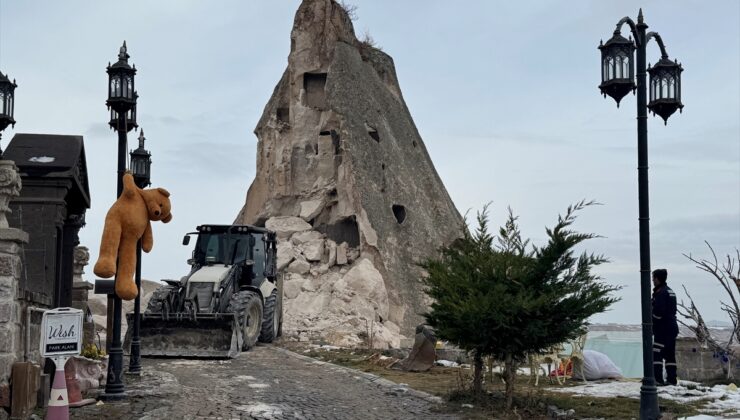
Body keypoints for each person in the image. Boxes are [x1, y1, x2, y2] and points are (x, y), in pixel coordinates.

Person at [652, 268, 679, 385]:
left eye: (653, 278)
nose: (652, 280)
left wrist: (652, 320)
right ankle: (672, 380)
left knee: (656, 354)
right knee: (669, 354)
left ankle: (657, 379)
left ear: (657, 279)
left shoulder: (661, 293)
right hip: (672, 328)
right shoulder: (670, 291)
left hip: (663, 329)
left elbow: (658, 311)